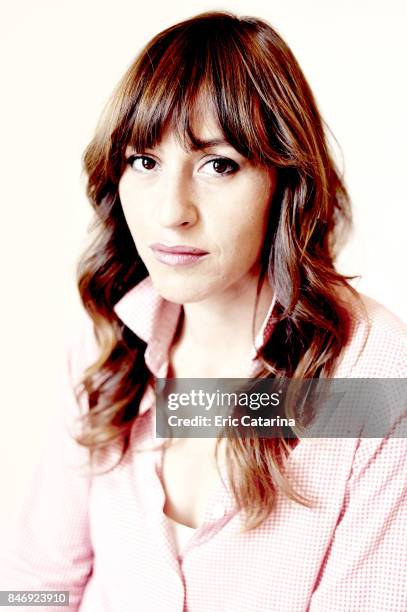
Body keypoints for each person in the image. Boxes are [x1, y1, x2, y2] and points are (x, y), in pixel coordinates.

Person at [1, 10, 406, 612]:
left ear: (283, 181)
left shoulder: (369, 369)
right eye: (145, 161)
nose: (172, 212)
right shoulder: (108, 347)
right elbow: (37, 581)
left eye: (219, 165)